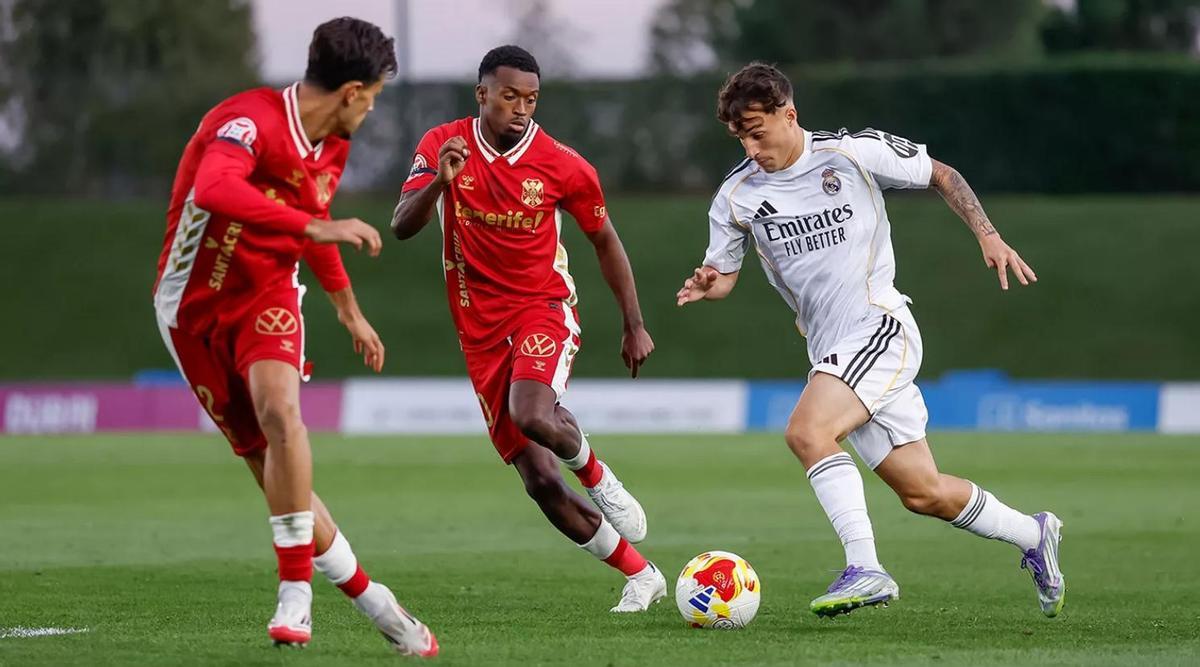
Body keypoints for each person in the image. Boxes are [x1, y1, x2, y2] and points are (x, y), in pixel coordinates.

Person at [676, 62, 1065, 619]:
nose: (750, 146)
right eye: (739, 136)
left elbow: (941, 173)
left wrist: (989, 234)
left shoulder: (851, 153)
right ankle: (1034, 534)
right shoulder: (736, 197)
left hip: (879, 327)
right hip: (830, 348)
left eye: (757, 131)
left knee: (808, 432)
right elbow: (725, 274)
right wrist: (709, 284)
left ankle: (866, 567)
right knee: (923, 492)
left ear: (790, 114)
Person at [152, 17, 437, 654]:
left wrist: (347, 308)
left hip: (267, 294)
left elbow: (314, 219)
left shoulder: (332, 142)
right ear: (354, 91)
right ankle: (374, 600)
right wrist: (313, 229)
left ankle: (295, 591)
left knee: (282, 413)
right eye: (377, 96)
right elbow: (215, 187)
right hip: (190, 311)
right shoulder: (248, 120)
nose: (373, 108)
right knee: (265, 460)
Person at [391, 45, 665, 612]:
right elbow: (400, 226)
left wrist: (633, 323)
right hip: (479, 331)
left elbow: (605, 240)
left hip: (543, 307)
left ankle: (598, 475)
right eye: (510, 95)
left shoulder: (564, 165)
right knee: (539, 481)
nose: (521, 108)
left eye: (531, 98)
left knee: (533, 413)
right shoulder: (444, 145)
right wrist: (440, 183)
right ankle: (642, 576)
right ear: (482, 94)